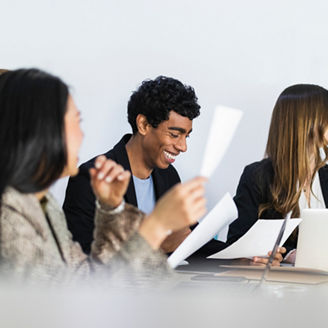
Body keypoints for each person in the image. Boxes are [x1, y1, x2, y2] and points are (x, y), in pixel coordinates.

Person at [0, 69, 206, 282]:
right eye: (74, 123)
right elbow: (82, 294)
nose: (81, 135)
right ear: (32, 131)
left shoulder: (44, 205)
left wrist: (110, 210)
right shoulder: (8, 215)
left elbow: (88, 275)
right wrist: (154, 230)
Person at [63, 76, 201, 254]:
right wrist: (155, 246)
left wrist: (235, 255)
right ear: (143, 125)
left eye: (186, 136)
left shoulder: (168, 176)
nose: (183, 147)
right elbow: (80, 258)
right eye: (175, 135)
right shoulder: (92, 176)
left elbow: (190, 235)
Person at [228, 84, 328, 265]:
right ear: (306, 122)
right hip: (278, 286)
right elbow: (236, 244)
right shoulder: (257, 176)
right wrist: (287, 254)